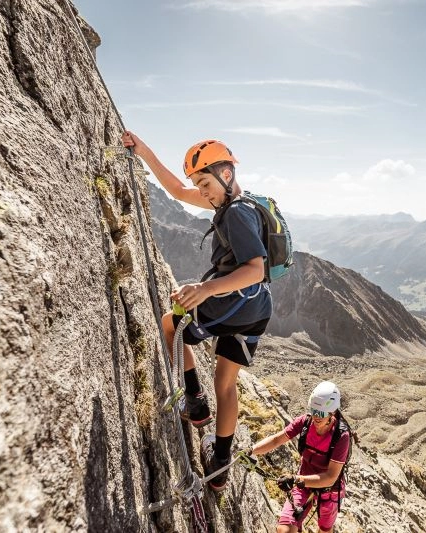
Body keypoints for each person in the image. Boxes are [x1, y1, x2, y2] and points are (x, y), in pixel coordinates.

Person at [121, 132, 272, 491]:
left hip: (233, 302)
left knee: (169, 325)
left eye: (205, 184)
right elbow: (177, 190)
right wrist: (145, 151)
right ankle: (219, 466)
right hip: (256, 307)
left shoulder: (234, 213)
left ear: (226, 175)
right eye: (199, 185)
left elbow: (255, 268)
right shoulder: (243, 204)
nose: (202, 193)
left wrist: (204, 290)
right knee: (226, 383)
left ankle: (195, 403)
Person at [248, 381, 350, 533]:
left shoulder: (341, 436)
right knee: (285, 529)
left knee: (325, 529)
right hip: (304, 482)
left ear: (332, 413)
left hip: (328, 489)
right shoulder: (305, 422)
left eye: (321, 413)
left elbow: (330, 477)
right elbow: (277, 439)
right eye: (313, 410)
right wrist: (251, 450)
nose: (316, 416)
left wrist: (296, 480)